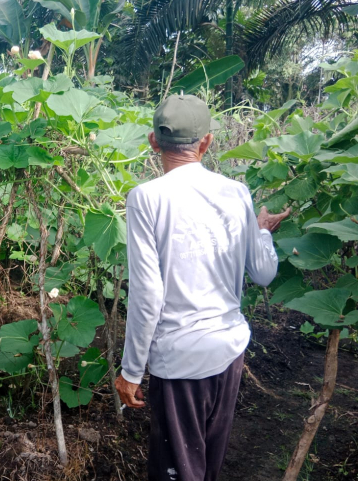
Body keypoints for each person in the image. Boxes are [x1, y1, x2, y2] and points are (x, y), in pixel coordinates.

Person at [114, 94, 290, 481]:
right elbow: (262, 274)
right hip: (229, 351)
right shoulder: (236, 193)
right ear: (206, 142)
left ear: (153, 141)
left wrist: (130, 370)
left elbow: (147, 296)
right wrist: (261, 233)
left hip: (180, 361)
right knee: (207, 464)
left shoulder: (146, 198)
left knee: (178, 472)